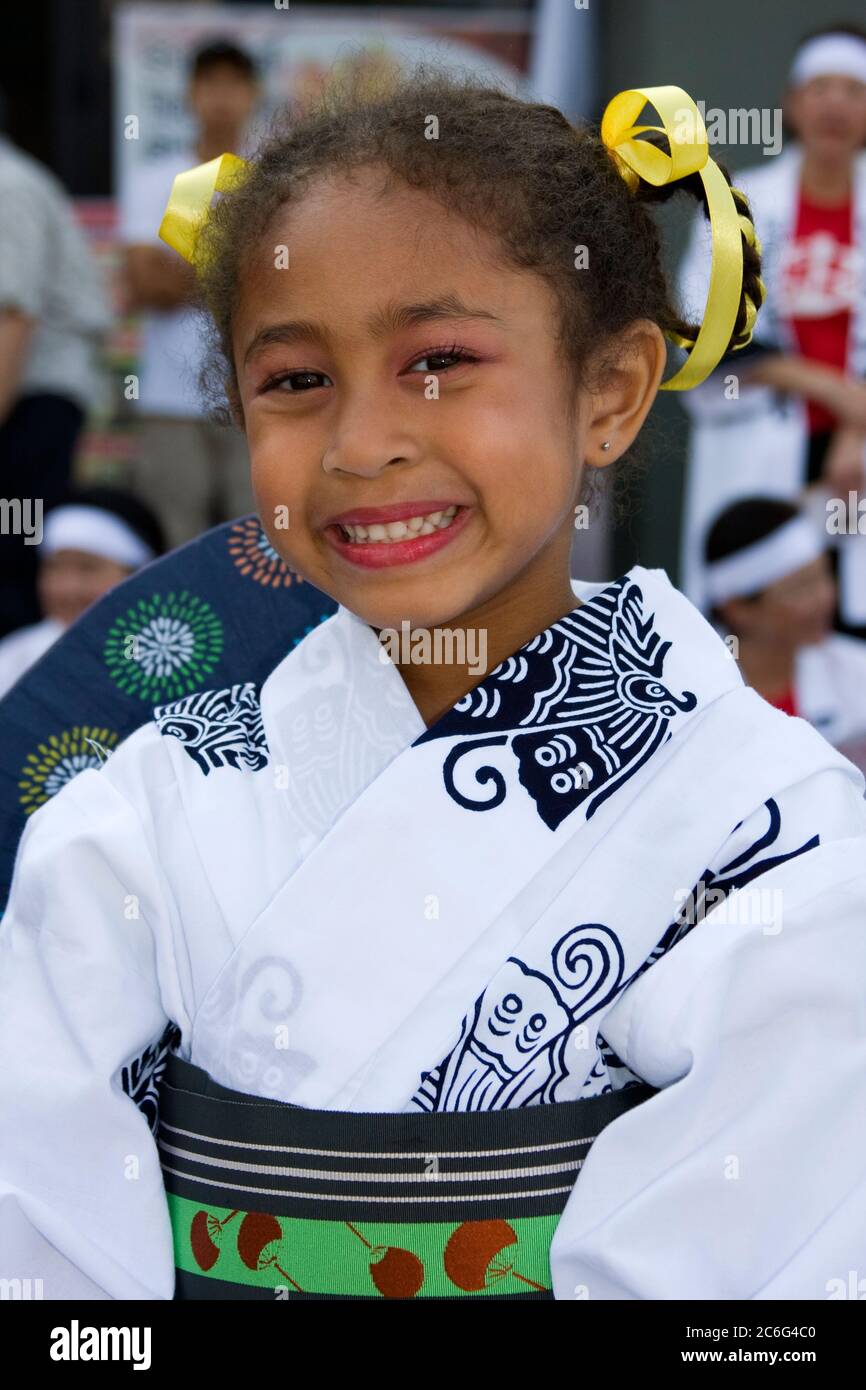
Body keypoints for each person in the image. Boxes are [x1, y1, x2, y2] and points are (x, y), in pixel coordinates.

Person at [1, 70, 866, 1303]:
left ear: (610, 391)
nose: (361, 443)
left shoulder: (765, 833)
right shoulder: (149, 803)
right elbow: (40, 1234)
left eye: (440, 360)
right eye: (294, 380)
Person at [677, 23, 866, 638]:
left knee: (849, 633)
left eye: (853, 90)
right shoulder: (741, 205)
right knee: (760, 629)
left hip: (855, 466)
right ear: (791, 103)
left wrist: (858, 427)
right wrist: (832, 391)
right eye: (821, 88)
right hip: (762, 451)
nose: (836, 104)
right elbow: (702, 328)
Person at [118, 39, 260, 551]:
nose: (221, 98)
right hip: (168, 398)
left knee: (258, 547)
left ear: (253, 94)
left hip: (254, 393)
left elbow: (285, 280)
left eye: (233, 85)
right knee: (173, 547)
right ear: (190, 94)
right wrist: (239, 266)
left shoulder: (272, 177)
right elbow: (146, 286)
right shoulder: (154, 178)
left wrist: (181, 260)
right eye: (209, 85)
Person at [0, 106, 111, 639]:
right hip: (20, 397)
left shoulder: (8, 185)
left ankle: (20, 699)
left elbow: (11, 315)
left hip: (31, 398)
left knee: (15, 549)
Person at [704, 496, 866, 751]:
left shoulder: (855, 675)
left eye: (824, 575)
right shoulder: (696, 686)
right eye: (801, 587)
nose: (824, 597)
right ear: (737, 608)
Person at [0, 486, 165, 699]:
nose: (67, 589)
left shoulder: (170, 659)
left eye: (88, 568)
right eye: (54, 567)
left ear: (137, 575)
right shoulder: (13, 657)